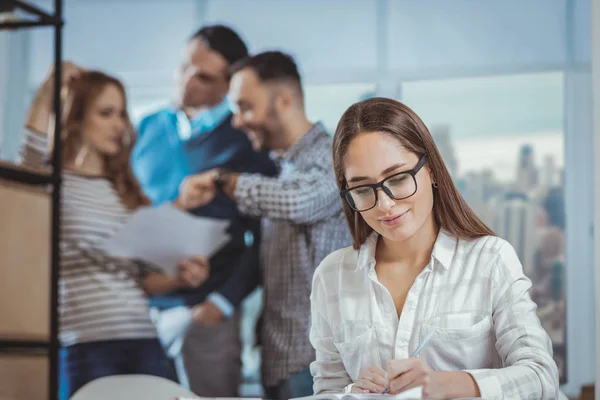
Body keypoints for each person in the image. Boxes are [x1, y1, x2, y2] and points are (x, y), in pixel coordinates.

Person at [309, 97, 560, 399]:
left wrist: (454, 384)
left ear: (431, 171)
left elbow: (540, 375)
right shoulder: (332, 276)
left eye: (398, 178)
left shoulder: (490, 259)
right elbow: (327, 388)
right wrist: (353, 390)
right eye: (363, 190)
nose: (385, 205)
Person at [20, 62, 209, 399]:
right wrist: (49, 90)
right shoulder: (55, 183)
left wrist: (179, 278)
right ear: (76, 119)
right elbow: (29, 156)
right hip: (86, 344)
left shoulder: (125, 191)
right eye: (106, 113)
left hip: (145, 341)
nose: (118, 125)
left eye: (121, 113)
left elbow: (142, 280)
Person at [177, 51, 351, 400]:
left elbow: (297, 202)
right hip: (280, 359)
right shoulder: (283, 169)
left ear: (284, 101)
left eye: (245, 107)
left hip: (315, 364)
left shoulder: (333, 156)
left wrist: (220, 179)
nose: (237, 121)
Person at [130, 25, 277, 396]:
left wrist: (222, 301)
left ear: (229, 84)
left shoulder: (249, 142)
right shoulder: (145, 129)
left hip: (203, 315)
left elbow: (266, 239)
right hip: (136, 310)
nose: (186, 82)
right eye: (183, 68)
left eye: (203, 76)